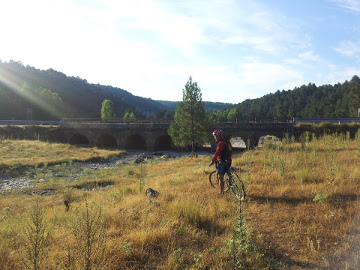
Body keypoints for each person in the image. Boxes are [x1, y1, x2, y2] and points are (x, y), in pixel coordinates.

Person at [209, 129, 232, 194]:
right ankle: (230, 180)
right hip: (228, 160)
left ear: (220, 135)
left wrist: (212, 161)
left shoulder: (221, 143)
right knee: (226, 173)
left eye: (217, 136)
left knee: (220, 177)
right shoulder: (225, 141)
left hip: (223, 162)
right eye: (215, 136)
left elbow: (217, 153)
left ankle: (222, 191)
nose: (216, 137)